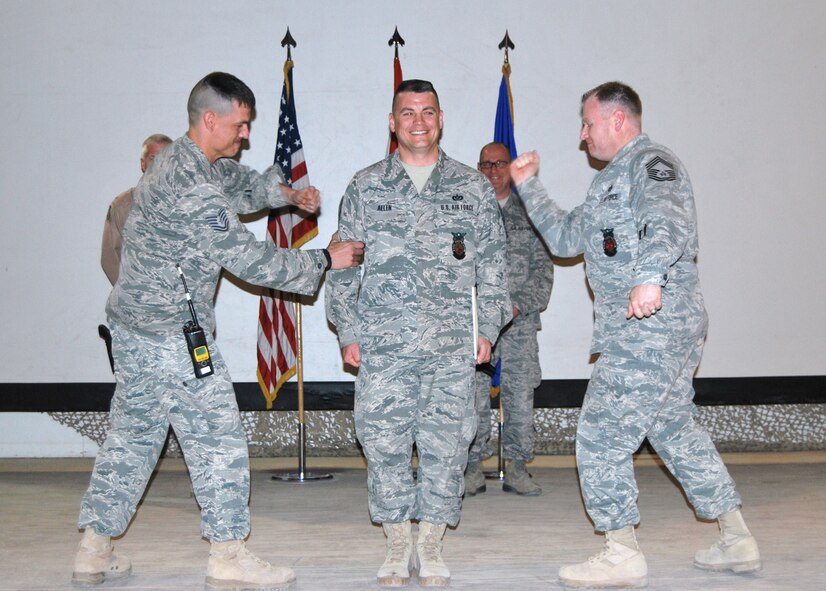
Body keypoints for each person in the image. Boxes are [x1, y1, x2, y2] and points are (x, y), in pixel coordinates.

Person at [73, 72, 364, 590]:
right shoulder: (190, 188)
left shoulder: (181, 158)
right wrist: (325, 259)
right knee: (219, 442)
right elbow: (250, 261)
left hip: (135, 330)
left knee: (132, 442)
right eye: (240, 124)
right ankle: (228, 554)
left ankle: (93, 550)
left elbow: (238, 182)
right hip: (171, 338)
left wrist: (285, 196)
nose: (246, 135)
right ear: (210, 119)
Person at [509, 81, 761, 588]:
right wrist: (528, 183)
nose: (583, 135)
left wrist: (649, 277)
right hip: (653, 326)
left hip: (651, 323)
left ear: (617, 120)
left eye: (588, 122)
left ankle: (621, 551)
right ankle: (737, 538)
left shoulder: (651, 165)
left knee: (600, 434)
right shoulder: (608, 184)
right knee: (673, 429)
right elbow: (562, 238)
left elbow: (667, 222)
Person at [325, 79, 511, 587]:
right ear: (392, 122)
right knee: (383, 444)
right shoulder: (366, 186)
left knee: (447, 446)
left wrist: (489, 327)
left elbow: (495, 266)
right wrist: (348, 331)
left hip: (452, 346)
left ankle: (430, 543)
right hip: (385, 347)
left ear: (441, 118)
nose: (419, 122)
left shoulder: (471, 186)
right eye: (407, 113)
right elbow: (344, 267)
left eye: (427, 112)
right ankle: (395, 544)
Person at [465, 142, 553, 497]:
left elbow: (544, 271)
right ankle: (472, 467)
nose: (492, 171)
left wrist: (518, 305)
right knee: (471, 398)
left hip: (518, 324)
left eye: (499, 164)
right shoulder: (464, 214)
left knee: (519, 397)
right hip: (475, 325)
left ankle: (516, 467)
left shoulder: (530, 213)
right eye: (485, 165)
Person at [101, 133, 173, 285]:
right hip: (138, 301)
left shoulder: (189, 205)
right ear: (143, 163)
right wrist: (132, 295)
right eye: (153, 158)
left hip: (180, 303)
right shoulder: (122, 206)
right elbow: (109, 257)